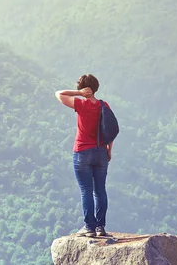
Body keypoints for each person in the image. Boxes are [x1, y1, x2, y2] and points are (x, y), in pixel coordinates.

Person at [55, 74, 113, 237]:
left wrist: (79, 93)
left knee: (86, 190)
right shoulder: (104, 105)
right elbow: (110, 128)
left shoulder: (81, 104)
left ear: (83, 88)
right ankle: (100, 227)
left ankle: (89, 227)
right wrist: (109, 149)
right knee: (100, 190)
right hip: (101, 151)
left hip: (82, 152)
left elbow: (59, 94)